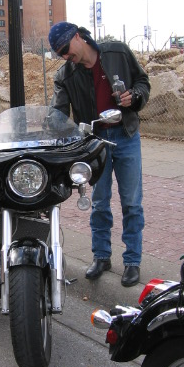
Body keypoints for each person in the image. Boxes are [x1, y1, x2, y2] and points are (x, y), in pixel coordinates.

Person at [48, 21, 150, 287]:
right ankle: (101, 256)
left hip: (126, 135)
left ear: (79, 37)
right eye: (60, 54)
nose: (65, 56)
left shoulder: (117, 52)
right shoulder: (65, 75)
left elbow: (142, 81)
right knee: (100, 203)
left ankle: (132, 261)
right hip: (94, 142)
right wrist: (50, 130)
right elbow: (57, 114)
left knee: (131, 202)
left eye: (66, 50)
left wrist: (135, 96)